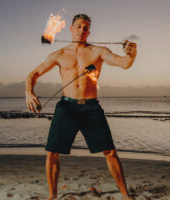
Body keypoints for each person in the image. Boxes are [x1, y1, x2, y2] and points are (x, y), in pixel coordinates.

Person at [25, 14, 137, 200]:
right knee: (52, 153)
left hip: (91, 109)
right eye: (78, 26)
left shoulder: (98, 51)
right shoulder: (59, 54)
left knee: (110, 152)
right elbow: (33, 74)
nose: (81, 30)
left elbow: (123, 63)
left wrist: (131, 55)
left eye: (85, 28)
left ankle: (126, 196)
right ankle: (52, 197)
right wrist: (29, 92)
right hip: (66, 108)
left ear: (89, 32)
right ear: (71, 28)